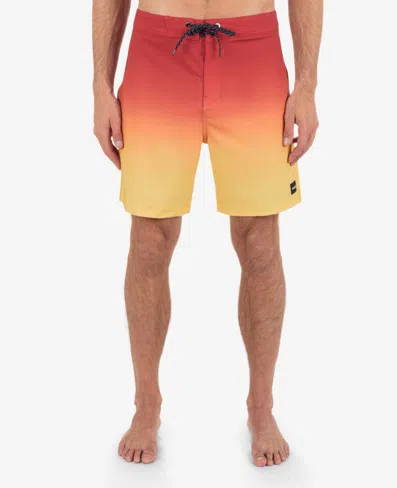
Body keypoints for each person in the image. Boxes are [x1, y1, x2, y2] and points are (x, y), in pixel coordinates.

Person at [92, 0, 322, 467]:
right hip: (157, 53)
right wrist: (100, 84)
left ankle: (261, 407)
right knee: (149, 241)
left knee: (260, 242)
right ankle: (146, 405)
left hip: (252, 54)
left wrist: (307, 84)